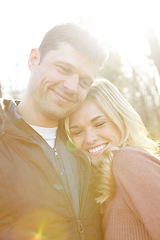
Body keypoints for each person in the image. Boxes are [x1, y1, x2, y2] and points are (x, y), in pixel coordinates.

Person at [0, 23, 107, 240]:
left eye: (84, 82)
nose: (71, 87)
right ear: (33, 59)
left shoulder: (89, 144)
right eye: (63, 69)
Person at [66, 78, 160, 240]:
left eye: (99, 124)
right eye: (77, 132)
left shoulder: (129, 160)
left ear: (120, 119)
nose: (89, 139)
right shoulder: (104, 179)